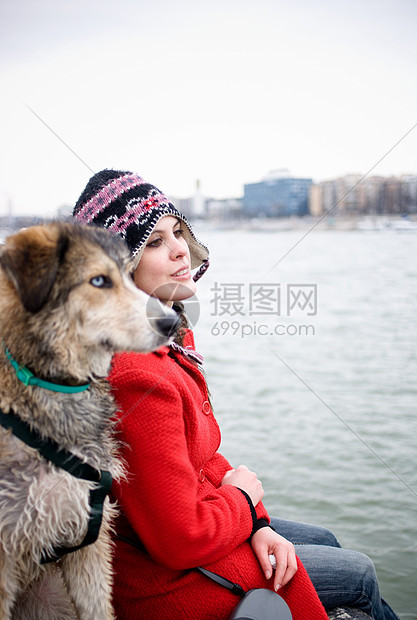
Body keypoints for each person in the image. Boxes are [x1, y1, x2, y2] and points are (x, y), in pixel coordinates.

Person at [73, 170, 399, 620]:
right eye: (153, 241)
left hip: (197, 526)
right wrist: (244, 504)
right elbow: (179, 538)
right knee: (358, 576)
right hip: (165, 583)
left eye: (177, 231)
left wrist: (257, 520)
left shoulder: (164, 341)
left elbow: (201, 461)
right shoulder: (135, 373)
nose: (179, 248)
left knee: (324, 540)